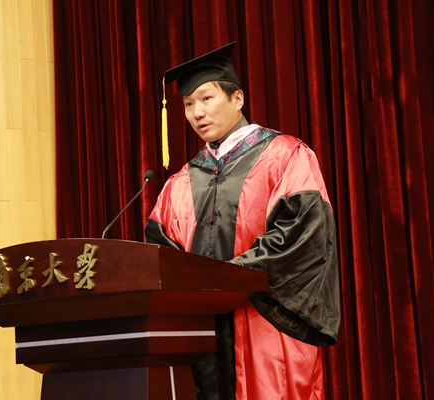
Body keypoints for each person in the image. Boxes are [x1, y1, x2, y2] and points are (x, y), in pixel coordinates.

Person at [146, 42, 340, 400]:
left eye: (206, 99)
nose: (197, 112)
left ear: (238, 99)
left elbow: (302, 234)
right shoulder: (180, 184)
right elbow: (161, 258)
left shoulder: (285, 156)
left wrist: (227, 278)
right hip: (202, 339)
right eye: (188, 104)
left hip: (265, 328)